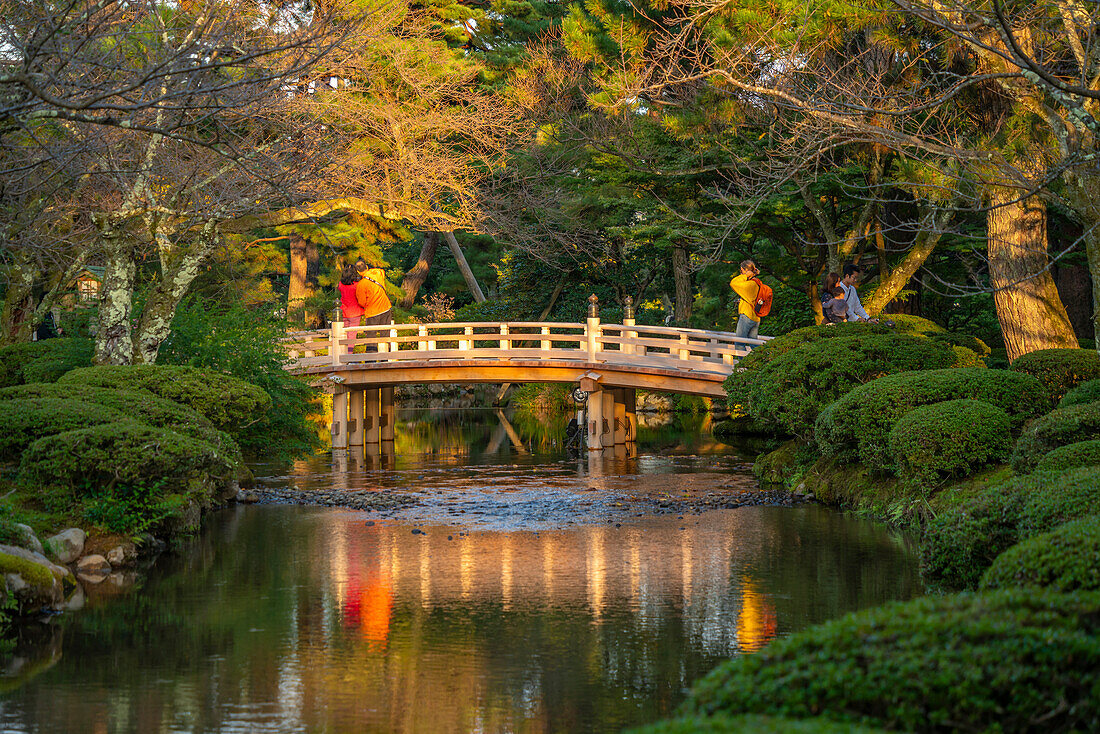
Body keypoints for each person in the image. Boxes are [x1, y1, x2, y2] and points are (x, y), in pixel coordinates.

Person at [729, 259, 762, 340]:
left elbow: (733, 283)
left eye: (741, 271)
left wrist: (745, 276)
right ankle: (763, 353)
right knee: (753, 343)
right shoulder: (758, 283)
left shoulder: (749, 284)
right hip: (756, 317)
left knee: (739, 342)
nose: (741, 273)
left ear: (746, 271)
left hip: (746, 316)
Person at [337, 264, 364, 353]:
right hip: (355, 312)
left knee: (343, 334)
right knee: (352, 335)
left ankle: (342, 353)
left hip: (344, 311)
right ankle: (349, 353)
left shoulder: (340, 285)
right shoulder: (357, 285)